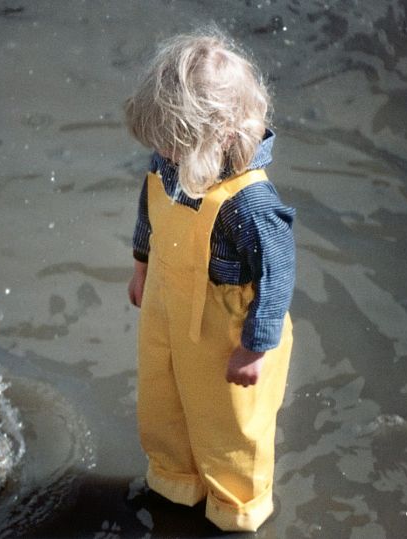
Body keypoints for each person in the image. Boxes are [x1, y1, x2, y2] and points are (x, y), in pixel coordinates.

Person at [124, 29, 296, 532]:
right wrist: (141, 266)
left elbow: (277, 277)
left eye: (172, 143)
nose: (161, 153)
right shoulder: (170, 164)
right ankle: (176, 482)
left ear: (218, 134)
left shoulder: (251, 205)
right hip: (166, 300)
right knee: (164, 399)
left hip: (228, 330)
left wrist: (255, 347)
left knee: (229, 429)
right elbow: (149, 213)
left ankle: (233, 510)